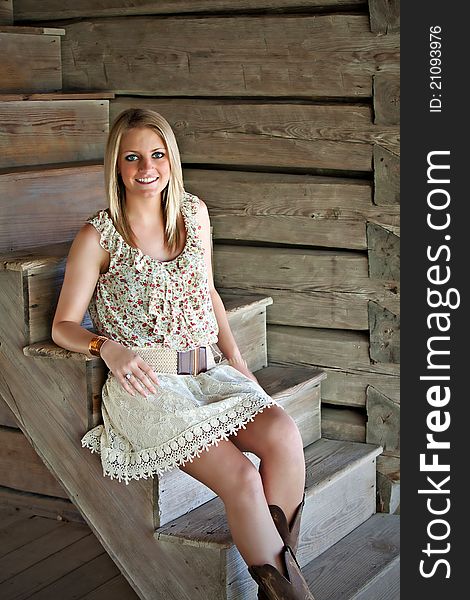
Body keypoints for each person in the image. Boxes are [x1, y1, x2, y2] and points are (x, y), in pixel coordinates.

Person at [51, 108, 314, 600]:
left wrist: (237, 361)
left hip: (208, 371)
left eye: (157, 154)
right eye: (132, 157)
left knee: (283, 433)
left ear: (171, 160)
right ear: (116, 166)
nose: (146, 167)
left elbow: (206, 290)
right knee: (241, 477)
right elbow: (62, 325)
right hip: (151, 387)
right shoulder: (98, 237)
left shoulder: (193, 214)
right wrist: (105, 346)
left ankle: (279, 585)